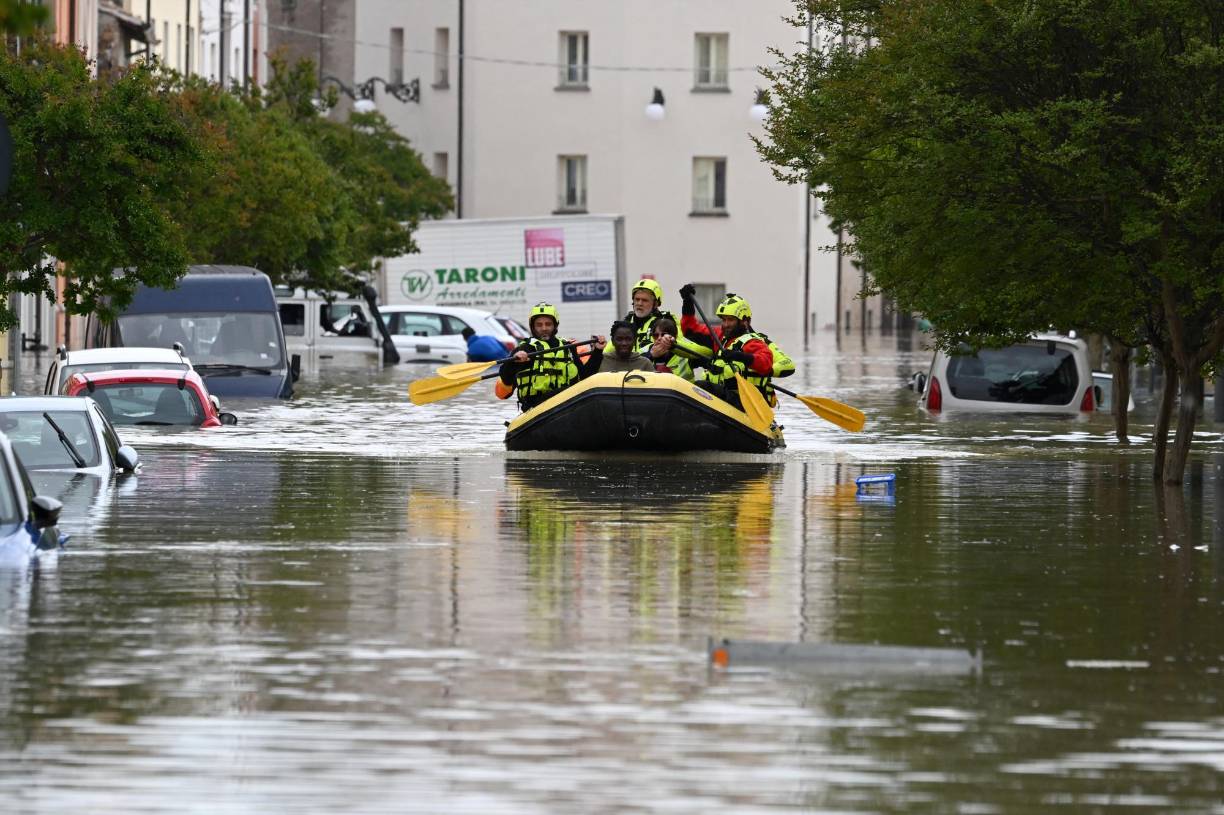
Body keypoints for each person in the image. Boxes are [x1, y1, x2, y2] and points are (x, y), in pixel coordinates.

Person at [678, 286, 780, 409]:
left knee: (701, 386)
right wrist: (687, 302)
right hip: (723, 398)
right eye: (724, 320)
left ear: (744, 321)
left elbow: (766, 364)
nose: (725, 324)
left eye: (730, 320)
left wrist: (739, 356)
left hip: (745, 402)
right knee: (694, 386)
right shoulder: (719, 337)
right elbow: (690, 329)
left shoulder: (753, 342)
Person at [496, 302, 605, 411]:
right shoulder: (526, 348)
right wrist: (514, 362)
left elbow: (585, 376)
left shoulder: (568, 347)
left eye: (548, 324)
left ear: (555, 325)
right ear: (533, 327)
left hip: (567, 403)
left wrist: (597, 352)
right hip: (536, 408)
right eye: (539, 325)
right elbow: (506, 379)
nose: (544, 328)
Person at [641, 317, 713, 381]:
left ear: (675, 336)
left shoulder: (687, 354)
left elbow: (708, 354)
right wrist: (650, 355)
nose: (659, 338)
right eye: (656, 335)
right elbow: (633, 366)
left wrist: (674, 345)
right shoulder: (644, 350)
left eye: (664, 335)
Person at [623, 278, 680, 351]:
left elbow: (681, 345)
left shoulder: (666, 320)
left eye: (644, 300)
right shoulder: (627, 321)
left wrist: (671, 342)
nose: (639, 303)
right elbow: (610, 350)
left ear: (655, 304)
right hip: (632, 362)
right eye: (637, 299)